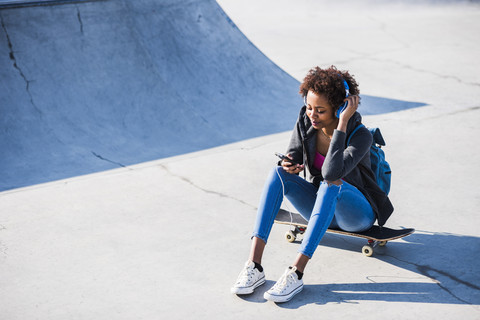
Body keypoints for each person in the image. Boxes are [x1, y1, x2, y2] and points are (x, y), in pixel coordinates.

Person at [230, 66, 393, 303]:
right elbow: (294, 153)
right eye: (308, 107)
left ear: (340, 108)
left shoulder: (360, 136)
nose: (311, 115)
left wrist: (342, 124)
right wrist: (290, 164)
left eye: (320, 110)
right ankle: (254, 266)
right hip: (322, 205)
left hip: (356, 215)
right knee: (277, 173)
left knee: (331, 183)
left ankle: (295, 273)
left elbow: (331, 172)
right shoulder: (306, 122)